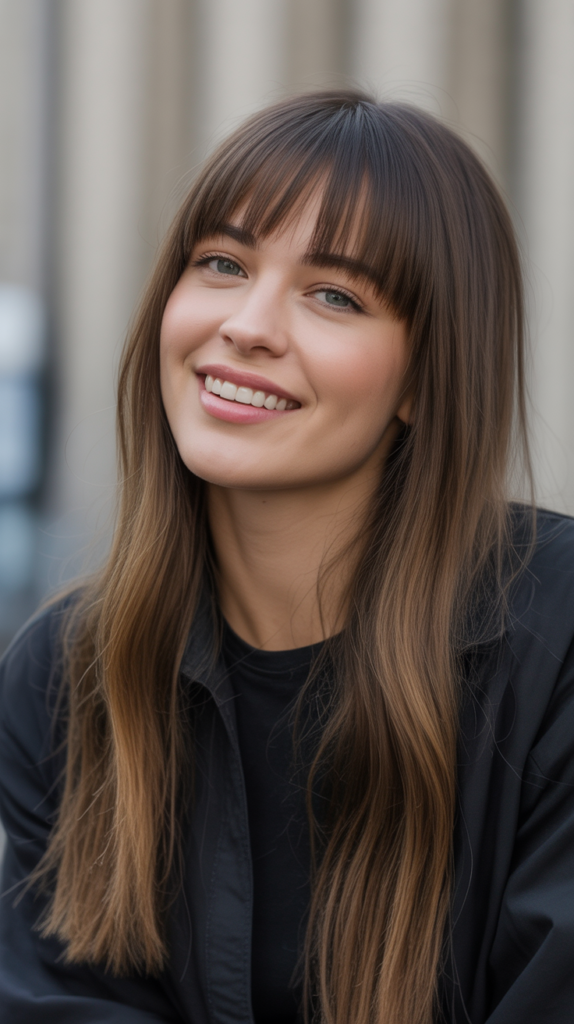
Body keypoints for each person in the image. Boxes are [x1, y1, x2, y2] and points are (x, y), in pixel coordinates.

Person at [1, 90, 574, 1024]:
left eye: (335, 295)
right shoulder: (65, 682)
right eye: (221, 263)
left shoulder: (556, 643)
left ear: (426, 380)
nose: (249, 325)